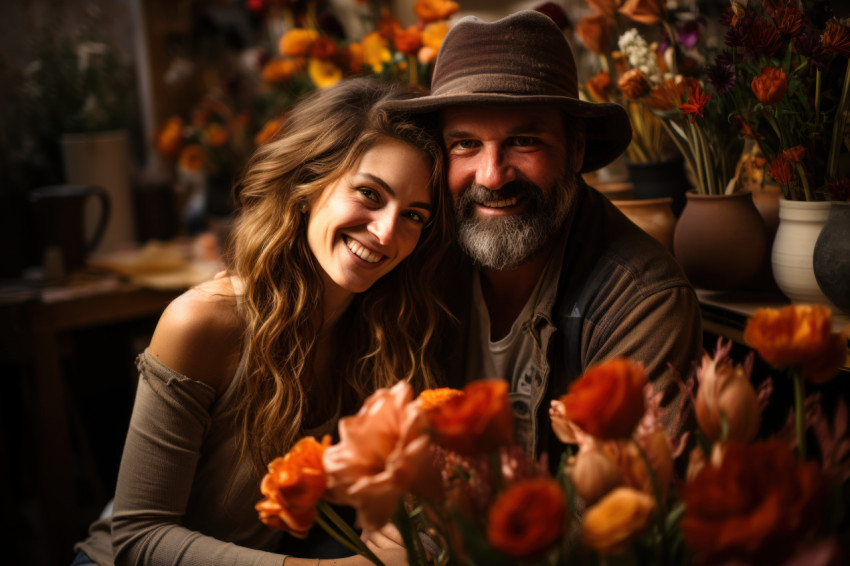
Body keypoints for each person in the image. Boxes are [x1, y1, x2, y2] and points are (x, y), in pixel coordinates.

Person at [71, 76, 452, 566]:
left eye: (415, 215)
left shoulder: (383, 327)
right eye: (369, 194)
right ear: (307, 184)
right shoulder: (203, 322)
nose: (386, 233)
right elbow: (139, 536)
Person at [383, 10, 702, 466]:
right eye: (466, 144)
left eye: (524, 141)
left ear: (575, 149)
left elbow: (628, 506)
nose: (492, 177)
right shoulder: (414, 251)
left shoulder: (640, 300)